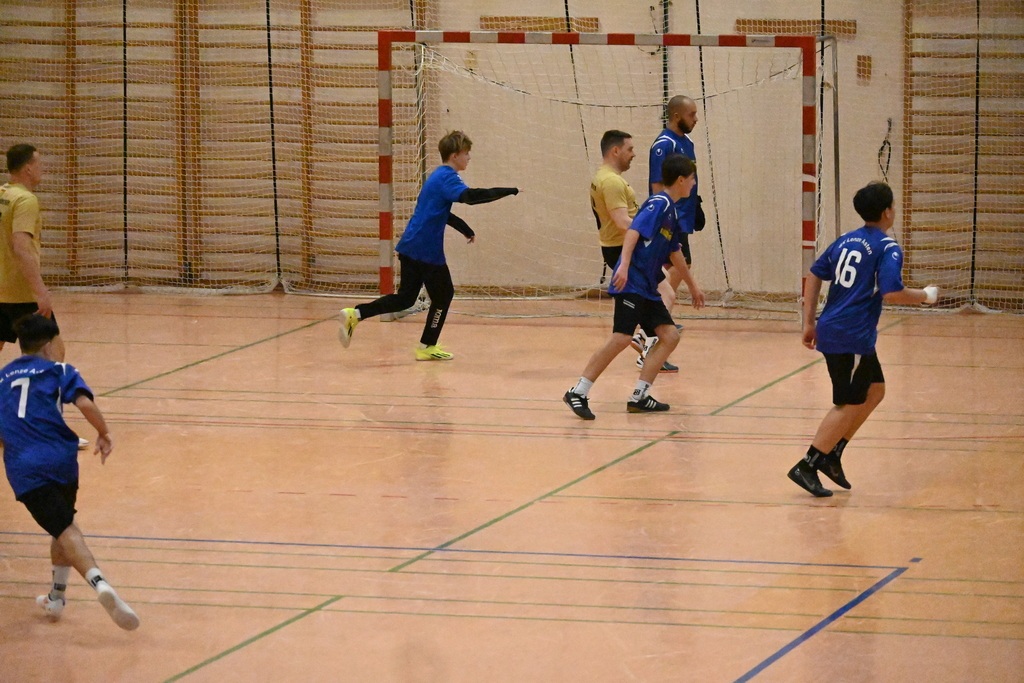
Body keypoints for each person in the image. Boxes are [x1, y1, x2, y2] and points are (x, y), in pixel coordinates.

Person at [788, 181, 939, 497]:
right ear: (887, 212)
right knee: (848, 402)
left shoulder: (846, 239)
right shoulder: (887, 247)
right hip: (850, 335)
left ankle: (833, 453)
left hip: (842, 331)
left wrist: (809, 321)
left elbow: (814, 274)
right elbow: (892, 292)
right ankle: (808, 464)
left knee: (875, 390)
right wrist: (925, 295)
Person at [0, 314, 139, 630]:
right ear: (50, 345)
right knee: (61, 525)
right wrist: (103, 433)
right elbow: (85, 405)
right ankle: (56, 597)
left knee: (64, 527)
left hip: (26, 468)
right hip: (61, 459)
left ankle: (99, 583)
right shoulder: (60, 370)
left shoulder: (2, 378)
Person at [337, 131, 519, 361]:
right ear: (454, 155)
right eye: (466, 153)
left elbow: (439, 212)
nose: (469, 157)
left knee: (406, 299)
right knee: (444, 295)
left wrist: (465, 229)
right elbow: (471, 197)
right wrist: (508, 191)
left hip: (410, 245)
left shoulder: (437, 176)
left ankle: (356, 313)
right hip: (425, 249)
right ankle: (426, 346)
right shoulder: (448, 178)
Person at [563, 154, 705, 420]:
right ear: (681, 180)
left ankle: (639, 396)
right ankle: (578, 391)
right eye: (692, 179)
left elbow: (675, 252)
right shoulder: (658, 203)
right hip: (633, 281)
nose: (694, 183)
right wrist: (624, 265)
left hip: (647, 287)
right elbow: (633, 231)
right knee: (622, 337)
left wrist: (693, 286)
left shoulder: (672, 211)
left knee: (670, 336)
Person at [1, 145, 87, 450]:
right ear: (27, 168)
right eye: (39, 164)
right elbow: (21, 246)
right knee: (54, 355)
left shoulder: (2, 195)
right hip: (21, 292)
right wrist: (40, 291)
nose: (43, 169)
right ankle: (47, 429)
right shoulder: (25, 200)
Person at [638, 95, 705, 373]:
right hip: (670, 219)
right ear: (677, 116)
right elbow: (657, 186)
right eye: (691, 114)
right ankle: (651, 329)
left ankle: (654, 323)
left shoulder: (687, 143)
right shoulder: (663, 144)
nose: (696, 119)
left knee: (675, 268)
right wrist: (664, 216)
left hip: (683, 218)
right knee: (676, 267)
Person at [589, 130, 650, 368]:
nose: (633, 154)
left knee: (661, 293)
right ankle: (647, 342)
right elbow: (622, 221)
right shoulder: (611, 182)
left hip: (620, 248)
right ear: (615, 150)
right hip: (623, 248)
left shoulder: (604, 177)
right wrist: (653, 232)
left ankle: (650, 340)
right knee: (624, 332)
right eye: (630, 149)